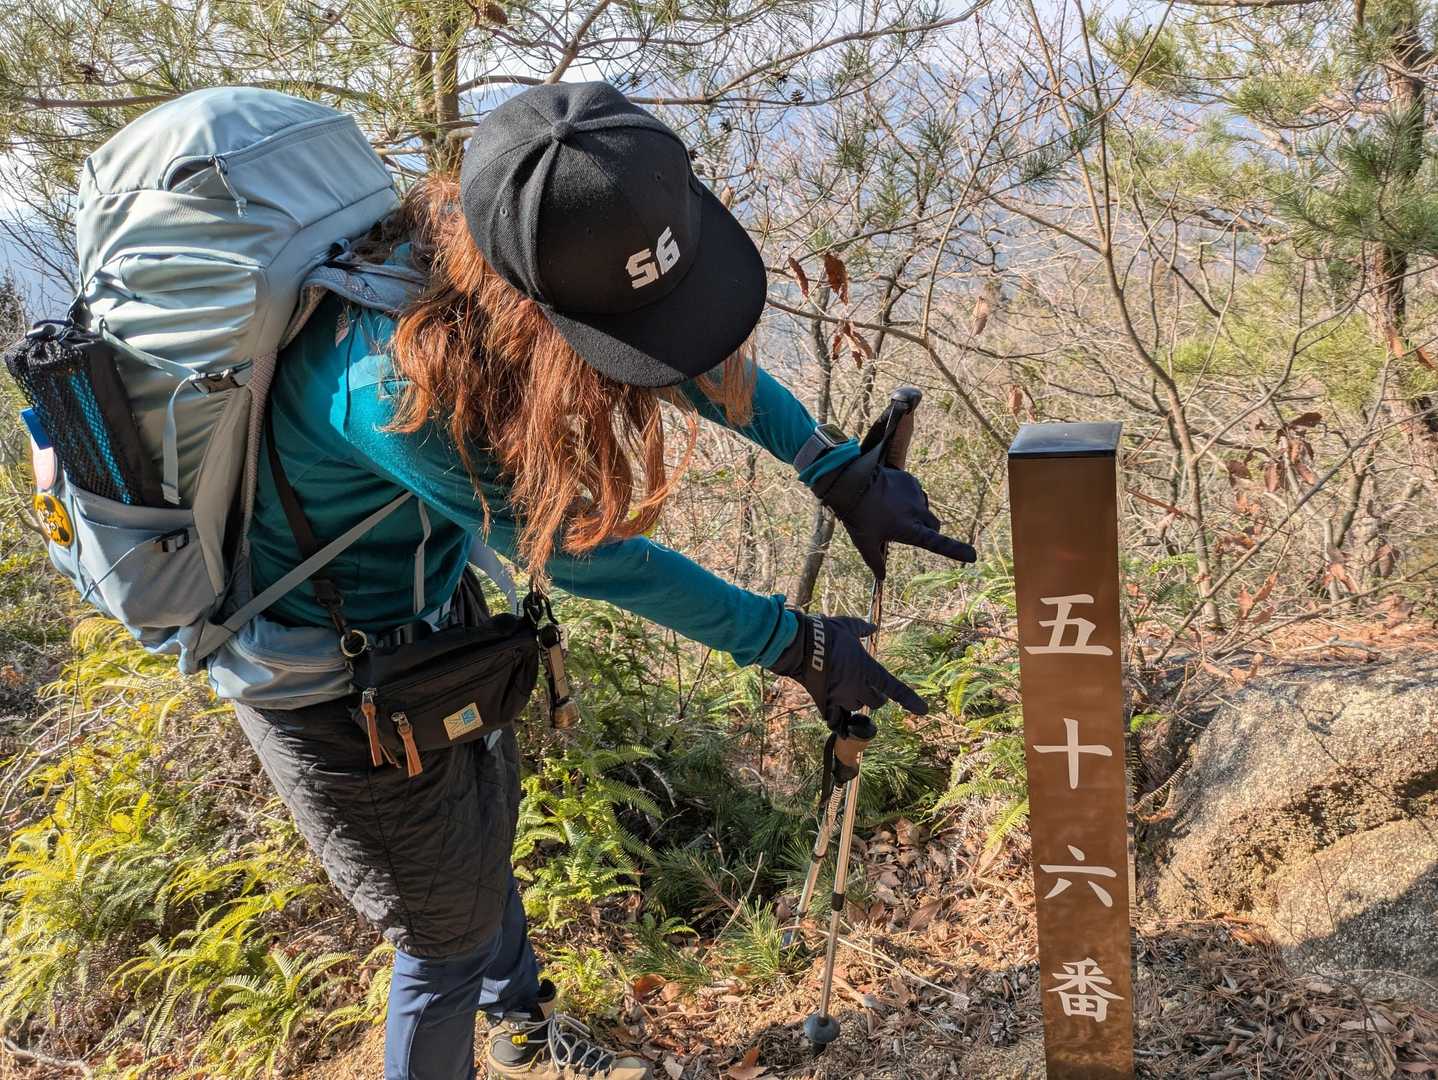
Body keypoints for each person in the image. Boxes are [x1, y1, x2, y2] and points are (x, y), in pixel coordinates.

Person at [233, 81, 976, 1080]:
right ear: (539, 304)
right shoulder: (393, 390)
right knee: (439, 939)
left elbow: (672, 344)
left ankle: (520, 1024)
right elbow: (587, 552)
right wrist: (790, 644)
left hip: (431, 616)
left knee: (480, 844)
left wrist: (827, 463)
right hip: (324, 677)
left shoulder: (483, 241)